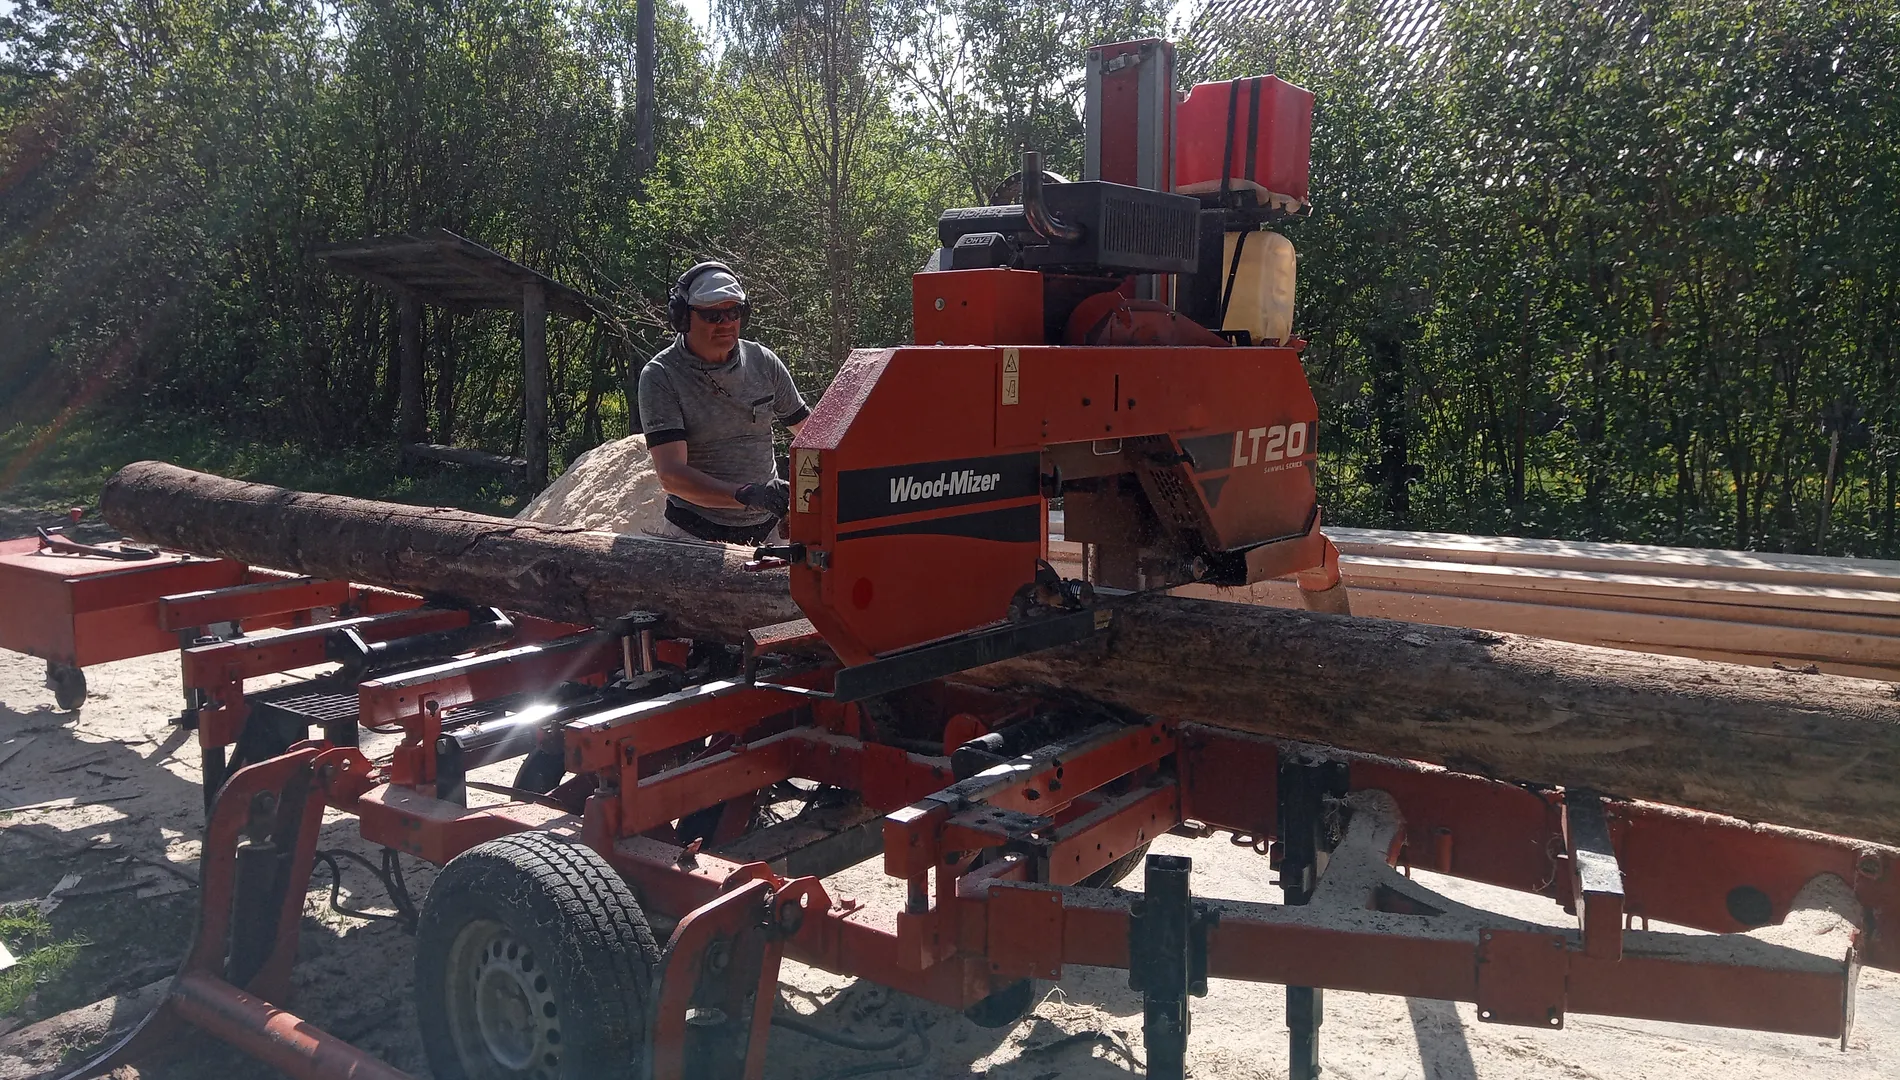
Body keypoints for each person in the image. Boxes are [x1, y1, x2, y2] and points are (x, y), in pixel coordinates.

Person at [637, 261, 810, 543]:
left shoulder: (763, 362)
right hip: (694, 534)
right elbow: (671, 475)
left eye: (734, 312)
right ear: (683, 317)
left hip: (768, 530)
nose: (726, 323)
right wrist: (745, 495)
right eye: (712, 315)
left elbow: (810, 432)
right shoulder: (662, 376)